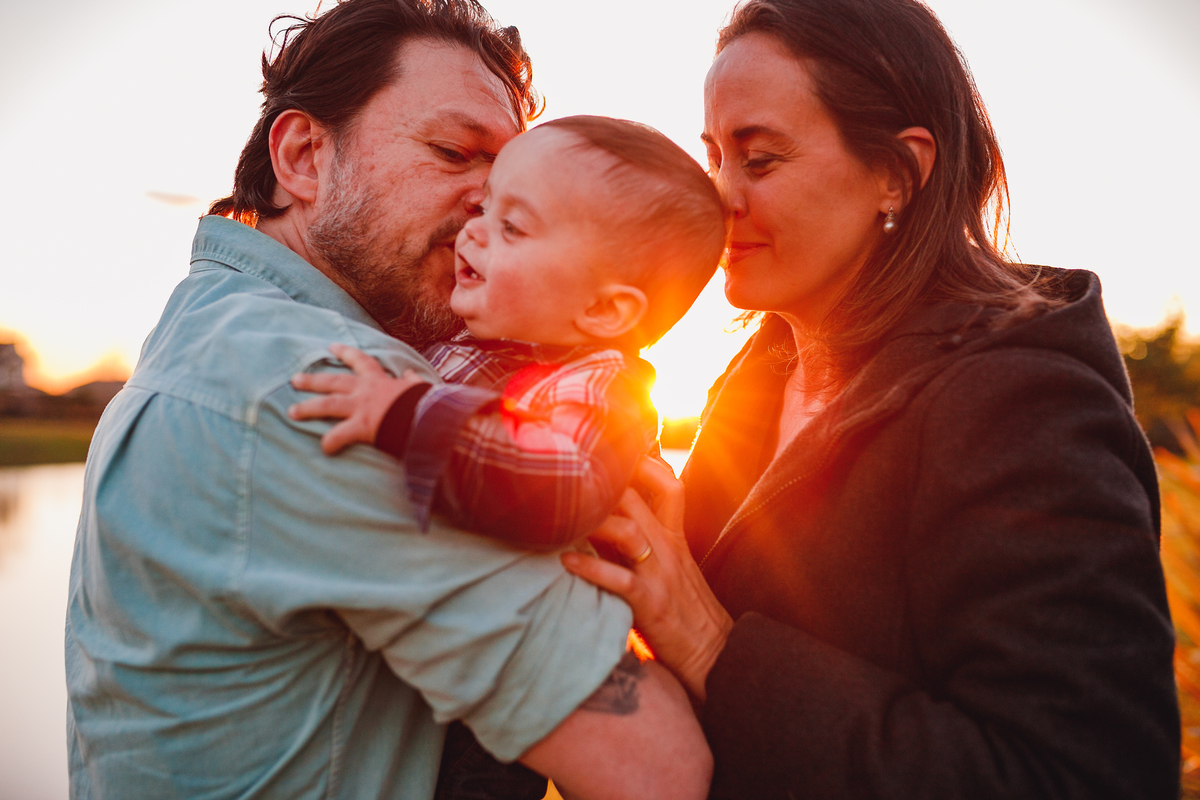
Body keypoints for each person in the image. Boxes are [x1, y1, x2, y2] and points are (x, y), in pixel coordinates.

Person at [64, 2, 712, 799]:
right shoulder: (318, 378)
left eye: (509, 179)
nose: (488, 207)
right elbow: (658, 767)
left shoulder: (208, 336)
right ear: (303, 155)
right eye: (453, 152)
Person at [563, 0, 1182, 797]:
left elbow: (1083, 776)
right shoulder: (758, 374)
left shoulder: (1023, 402)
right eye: (713, 155)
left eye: (761, 160)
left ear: (898, 171)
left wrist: (714, 647)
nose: (719, 195)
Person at [287, 115, 725, 549]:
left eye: (512, 226)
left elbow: (559, 490)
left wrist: (406, 415)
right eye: (486, 208)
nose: (472, 230)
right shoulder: (476, 339)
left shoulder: (603, 388)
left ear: (604, 308)